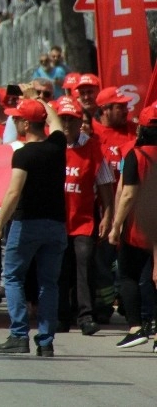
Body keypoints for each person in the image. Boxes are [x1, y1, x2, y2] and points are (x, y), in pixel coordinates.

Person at [0, 98, 67, 357]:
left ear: (24, 123)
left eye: (16, 118)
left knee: (12, 277)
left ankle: (19, 334)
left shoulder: (23, 154)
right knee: (48, 283)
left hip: (27, 223)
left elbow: (13, 192)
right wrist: (44, 103)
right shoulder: (58, 145)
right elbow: (55, 123)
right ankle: (45, 341)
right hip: (56, 224)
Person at [53, 96, 113, 335]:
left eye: (72, 119)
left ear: (81, 122)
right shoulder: (51, 146)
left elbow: (106, 185)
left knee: (84, 266)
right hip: (55, 221)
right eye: (63, 119)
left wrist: (108, 216)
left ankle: (86, 316)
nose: (67, 124)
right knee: (59, 270)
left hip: (83, 222)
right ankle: (60, 316)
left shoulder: (93, 148)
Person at [108, 101, 157, 350]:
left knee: (128, 275)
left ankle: (136, 327)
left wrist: (116, 226)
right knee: (154, 278)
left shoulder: (135, 155)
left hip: (140, 226)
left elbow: (127, 195)